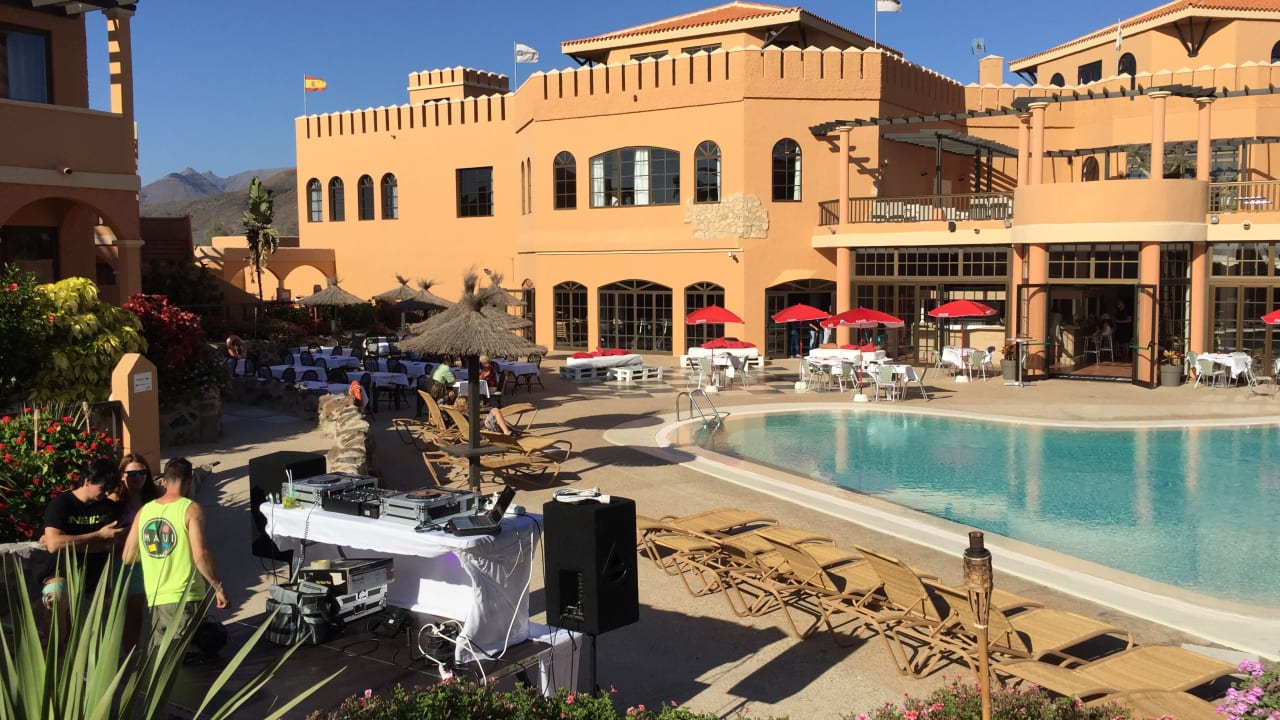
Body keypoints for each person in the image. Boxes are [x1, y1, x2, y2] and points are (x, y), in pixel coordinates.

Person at [122, 457, 228, 655]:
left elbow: (128, 556)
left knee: (163, 657)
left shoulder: (145, 511)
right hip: (185, 595)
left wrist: (156, 557)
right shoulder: (191, 509)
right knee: (188, 656)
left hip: (156, 597)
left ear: (164, 481)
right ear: (189, 481)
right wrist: (218, 587)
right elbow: (200, 553)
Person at [36, 458, 124, 610]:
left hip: (95, 579)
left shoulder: (109, 508)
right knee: (56, 600)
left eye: (111, 488)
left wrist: (66, 543)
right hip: (60, 574)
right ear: (88, 481)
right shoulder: (61, 504)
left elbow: (109, 545)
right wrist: (98, 535)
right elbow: (54, 545)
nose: (108, 492)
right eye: (103, 487)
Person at [111, 454, 158, 648]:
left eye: (142, 472)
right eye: (132, 473)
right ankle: (131, 656)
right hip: (125, 561)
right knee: (132, 613)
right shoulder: (113, 501)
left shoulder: (156, 496)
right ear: (122, 475)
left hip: (153, 558)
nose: (138, 477)